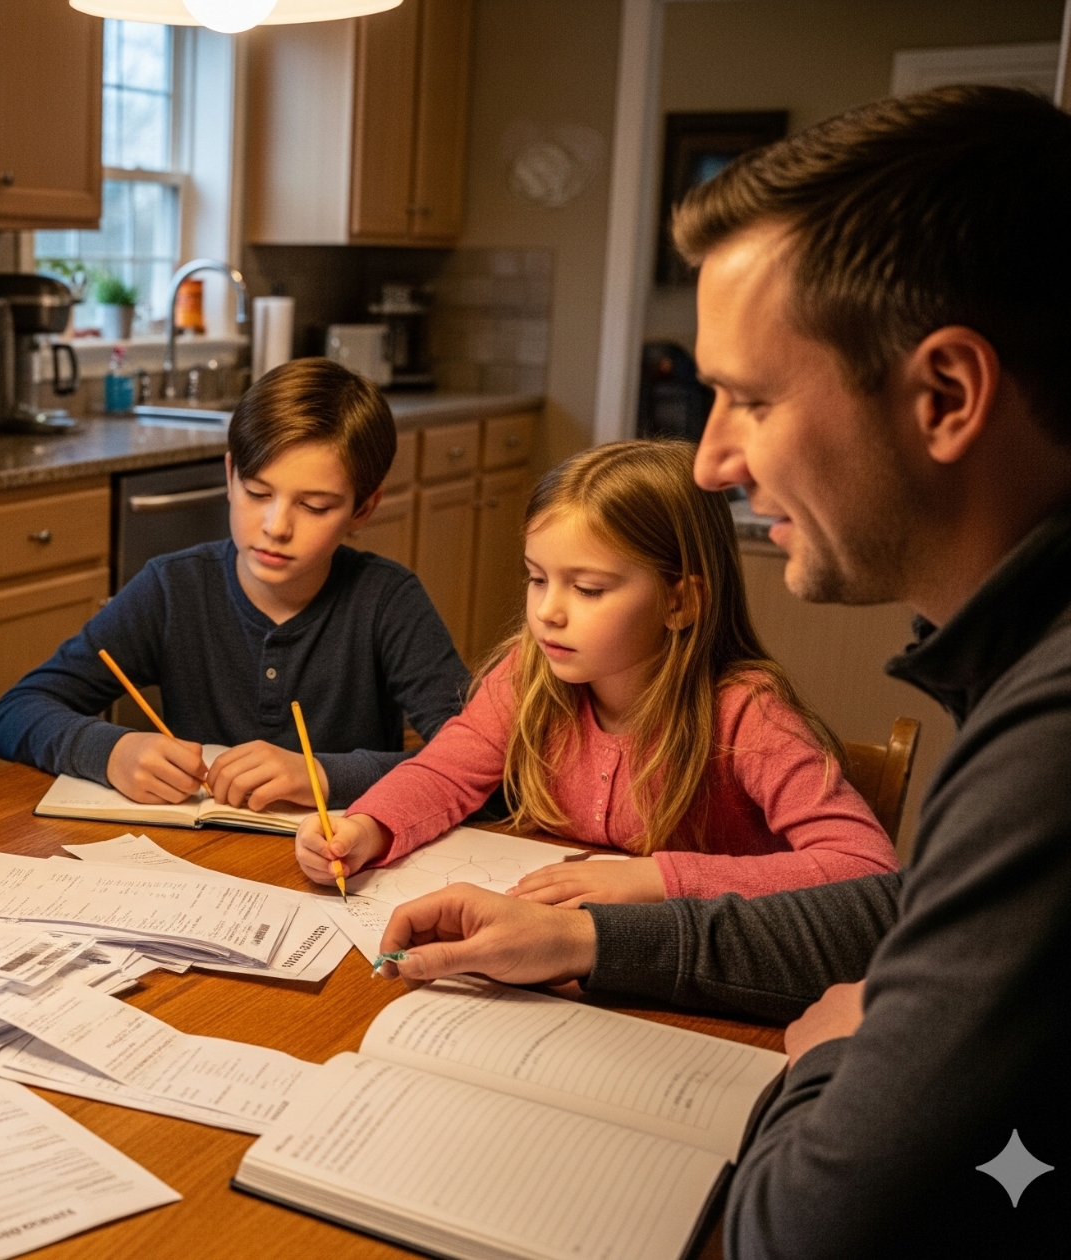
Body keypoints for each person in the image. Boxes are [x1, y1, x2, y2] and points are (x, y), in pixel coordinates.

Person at [371, 86, 1071, 1254]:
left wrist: (841, 1049)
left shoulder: (1045, 741)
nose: (709, 461)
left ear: (945, 395)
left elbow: (787, 1231)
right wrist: (589, 941)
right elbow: (899, 912)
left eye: (748, 398)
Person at [296, 440, 897, 903]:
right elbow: (446, 773)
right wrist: (368, 828)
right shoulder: (528, 673)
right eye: (537, 578)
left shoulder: (746, 715)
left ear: (679, 601)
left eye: (587, 588)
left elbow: (867, 870)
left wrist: (652, 880)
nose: (547, 611)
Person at [0, 358, 467, 810]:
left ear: (363, 509)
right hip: (195, 867)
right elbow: (14, 713)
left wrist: (322, 776)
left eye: (315, 506)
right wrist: (110, 751)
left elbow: (487, 772)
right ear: (231, 475)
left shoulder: (387, 602)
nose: (276, 526)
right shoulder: (173, 589)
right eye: (259, 493)